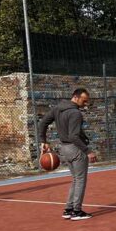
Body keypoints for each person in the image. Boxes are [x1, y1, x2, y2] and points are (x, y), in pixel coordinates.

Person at [39, 88, 97, 221]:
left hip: (64, 149)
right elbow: (74, 136)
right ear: (76, 97)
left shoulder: (58, 108)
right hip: (75, 149)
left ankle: (68, 209)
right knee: (80, 180)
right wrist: (88, 151)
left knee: (76, 179)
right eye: (84, 100)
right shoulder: (75, 113)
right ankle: (77, 211)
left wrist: (43, 141)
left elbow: (43, 123)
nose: (86, 103)